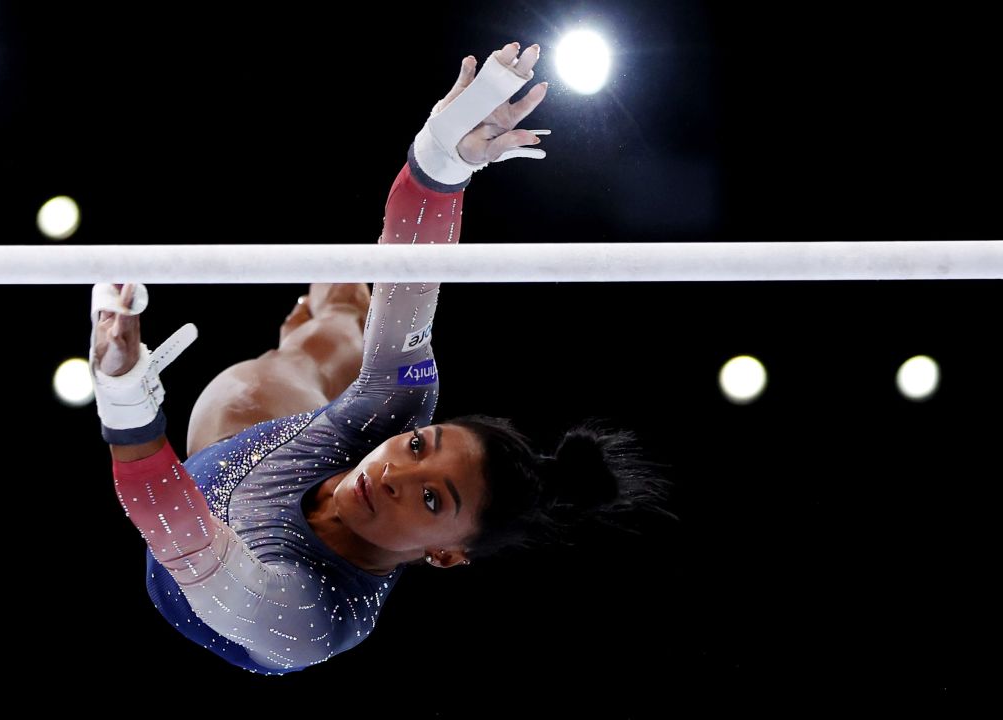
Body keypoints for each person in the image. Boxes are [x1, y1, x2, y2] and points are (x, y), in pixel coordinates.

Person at [88, 41, 671, 674]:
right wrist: (440, 162)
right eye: (419, 446)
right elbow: (409, 274)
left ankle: (329, 328)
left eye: (431, 502)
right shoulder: (395, 416)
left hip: (204, 526)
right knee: (349, 327)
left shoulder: (309, 618)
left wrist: (126, 401)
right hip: (289, 437)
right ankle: (338, 317)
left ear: (444, 555)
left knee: (247, 390)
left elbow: (181, 543)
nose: (397, 474)